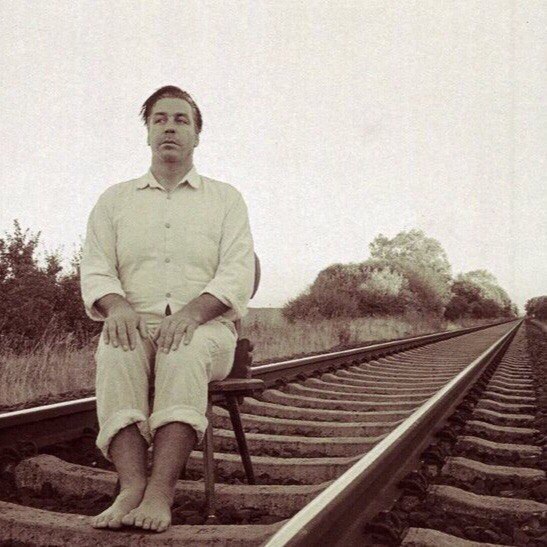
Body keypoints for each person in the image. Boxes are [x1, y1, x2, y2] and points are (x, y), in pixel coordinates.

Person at [80, 86, 255, 532]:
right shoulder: (115, 200)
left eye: (181, 120)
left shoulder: (226, 199)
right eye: (159, 119)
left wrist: (191, 315)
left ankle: (160, 492)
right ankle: (131, 487)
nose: (170, 127)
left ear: (197, 135)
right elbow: (96, 267)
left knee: (183, 349)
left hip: (207, 328)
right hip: (134, 324)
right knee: (115, 351)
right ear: (147, 134)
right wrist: (117, 306)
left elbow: (237, 274)